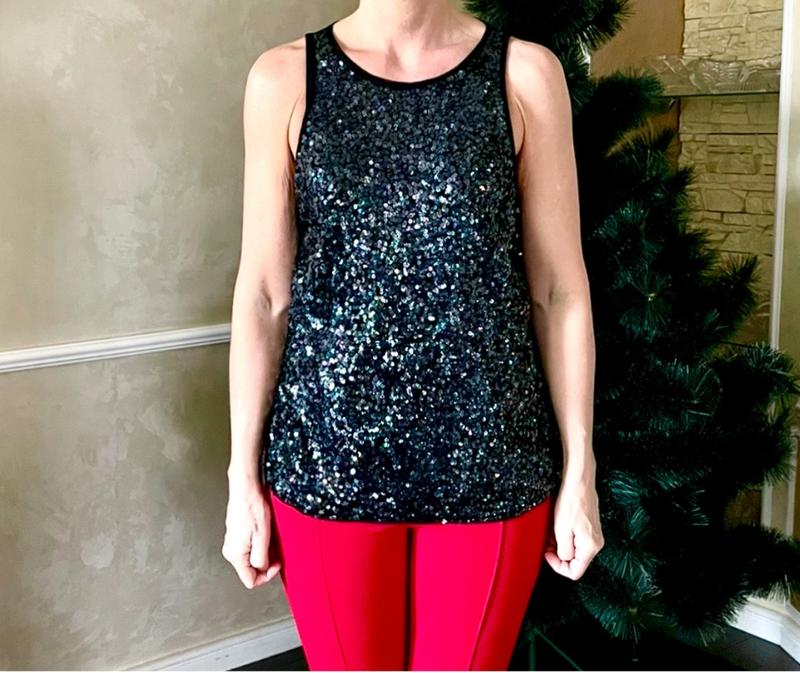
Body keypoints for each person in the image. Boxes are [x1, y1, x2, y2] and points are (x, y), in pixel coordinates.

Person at [223, 1, 603, 670]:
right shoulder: (283, 79)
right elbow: (263, 297)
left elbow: (559, 293)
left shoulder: (526, 75)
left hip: (491, 461)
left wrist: (581, 469)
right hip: (327, 462)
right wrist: (240, 477)